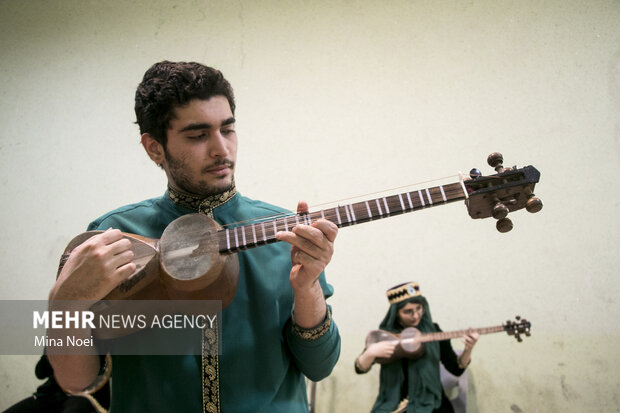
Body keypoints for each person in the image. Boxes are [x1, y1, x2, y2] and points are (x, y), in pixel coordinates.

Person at [47, 61, 341, 413]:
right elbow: (77, 382)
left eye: (227, 130)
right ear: (155, 147)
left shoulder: (286, 232)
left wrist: (307, 289)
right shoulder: (115, 237)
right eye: (198, 135)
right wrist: (66, 301)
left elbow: (320, 368)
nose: (222, 149)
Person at [355, 282, 479, 413]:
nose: (416, 316)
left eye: (419, 308)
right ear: (396, 313)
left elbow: (456, 369)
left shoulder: (433, 331)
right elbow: (359, 368)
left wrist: (468, 349)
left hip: (431, 403)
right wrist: (370, 353)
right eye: (408, 312)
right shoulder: (387, 335)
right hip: (395, 404)